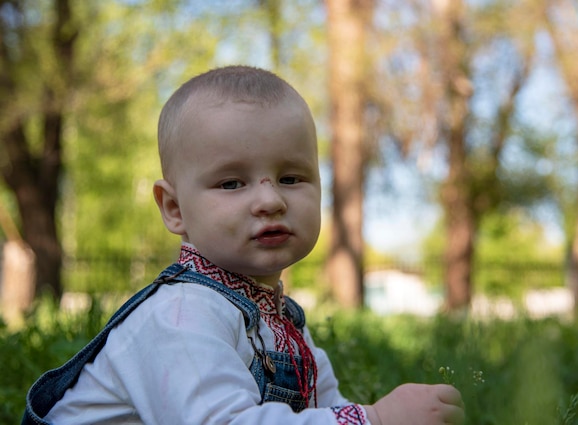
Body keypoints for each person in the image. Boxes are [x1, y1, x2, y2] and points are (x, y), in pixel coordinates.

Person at [23, 65, 465, 425]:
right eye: (232, 183)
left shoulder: (281, 321)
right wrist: (375, 419)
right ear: (175, 209)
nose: (270, 200)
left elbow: (323, 411)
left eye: (291, 178)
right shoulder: (181, 317)